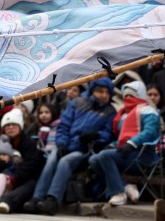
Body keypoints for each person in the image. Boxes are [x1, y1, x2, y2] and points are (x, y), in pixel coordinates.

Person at [23, 77, 116, 215]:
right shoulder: (77, 102)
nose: (104, 95)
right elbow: (63, 126)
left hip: (84, 150)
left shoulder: (110, 111)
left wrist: (96, 135)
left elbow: (108, 134)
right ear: (92, 91)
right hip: (66, 144)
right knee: (52, 160)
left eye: (107, 92)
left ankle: (53, 199)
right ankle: (37, 198)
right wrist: (61, 144)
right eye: (100, 91)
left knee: (65, 161)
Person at [89, 80, 160, 206]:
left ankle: (118, 193)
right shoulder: (124, 114)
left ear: (139, 95)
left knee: (105, 156)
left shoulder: (148, 110)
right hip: (126, 152)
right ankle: (126, 187)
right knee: (94, 159)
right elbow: (123, 137)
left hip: (142, 154)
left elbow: (150, 132)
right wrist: (112, 145)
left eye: (131, 95)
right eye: (125, 96)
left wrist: (132, 143)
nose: (127, 98)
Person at [0, 108, 44, 214]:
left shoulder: (28, 142)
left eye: (14, 125)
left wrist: (14, 178)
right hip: (2, 177)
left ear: (20, 127)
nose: (10, 128)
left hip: (23, 179)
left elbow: (31, 165)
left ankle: (6, 202)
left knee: (30, 184)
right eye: (7, 125)